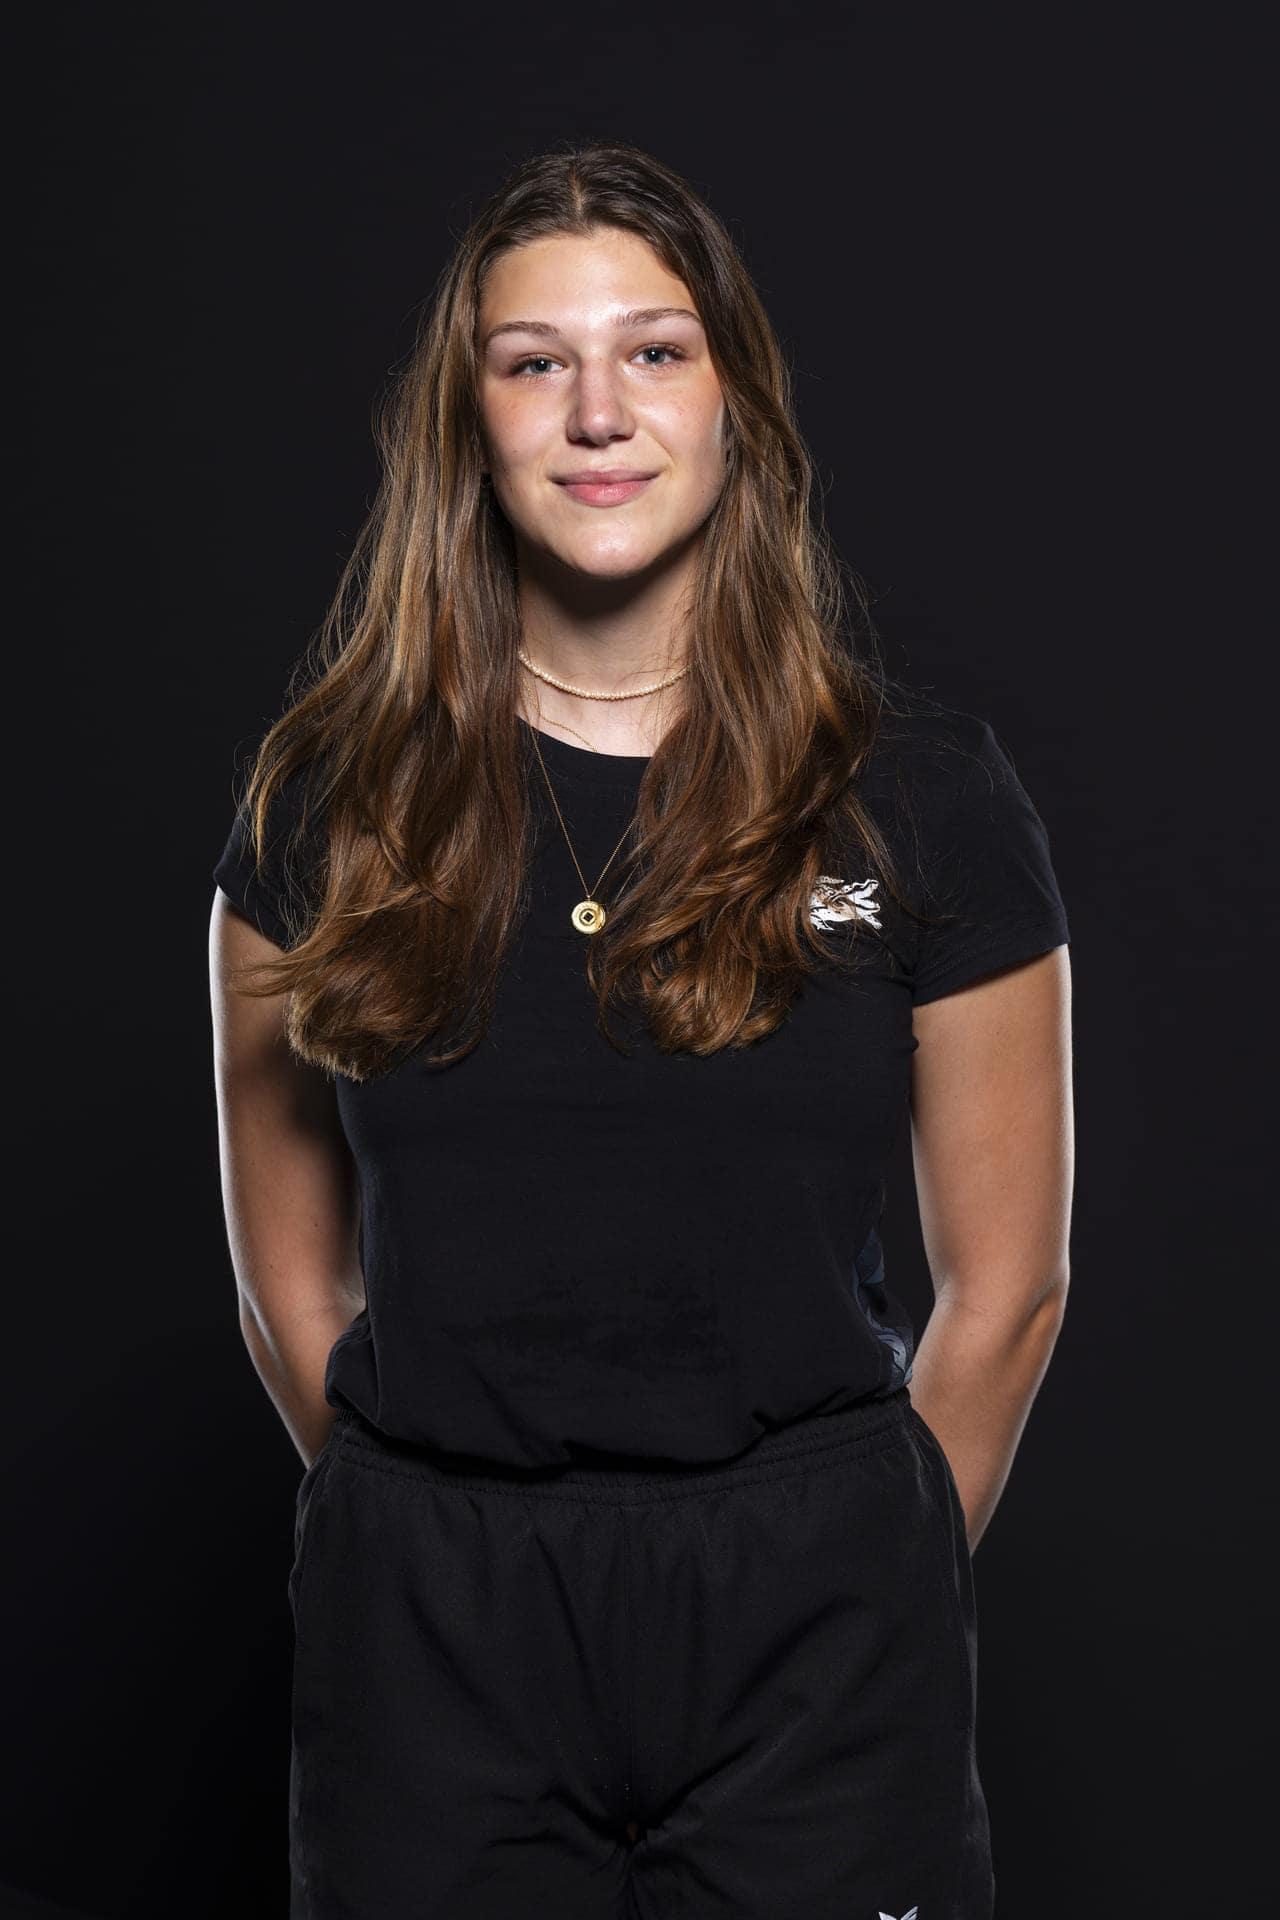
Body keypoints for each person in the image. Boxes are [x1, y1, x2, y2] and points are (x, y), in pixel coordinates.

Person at [210, 140, 1072, 1920]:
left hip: (814, 1615)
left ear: (736, 397)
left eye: (656, 352)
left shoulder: (920, 797)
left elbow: (1010, 1287)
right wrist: (435, 1546)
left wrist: (859, 1580)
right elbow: (288, 1284)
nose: (599, 411)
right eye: (535, 363)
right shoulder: (327, 807)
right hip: (433, 1621)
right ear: (474, 422)